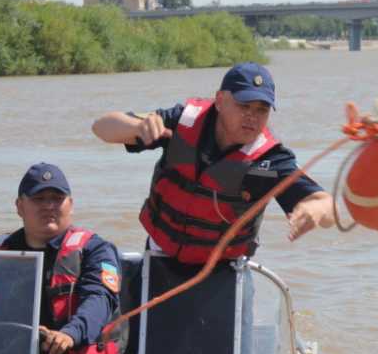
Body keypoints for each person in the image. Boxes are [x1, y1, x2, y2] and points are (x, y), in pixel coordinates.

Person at [91, 62, 335, 266]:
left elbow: (327, 206)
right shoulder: (180, 121)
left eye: (262, 109)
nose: (252, 116)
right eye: (244, 105)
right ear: (219, 100)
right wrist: (136, 127)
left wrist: (314, 211)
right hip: (159, 255)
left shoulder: (270, 161)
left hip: (224, 270)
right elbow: (102, 127)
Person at [0, 163, 125, 354]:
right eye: (39, 198)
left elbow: (99, 300)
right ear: (19, 206)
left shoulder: (95, 251)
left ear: (71, 204)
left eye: (57, 199)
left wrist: (70, 334)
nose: (49, 206)